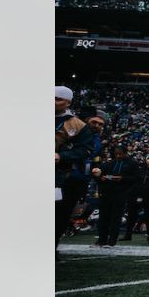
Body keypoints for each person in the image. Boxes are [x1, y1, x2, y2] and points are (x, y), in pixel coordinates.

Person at [55, 86, 98, 251]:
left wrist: (62, 156)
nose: (53, 101)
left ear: (68, 102)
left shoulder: (77, 125)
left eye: (58, 99)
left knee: (59, 214)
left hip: (60, 174)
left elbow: (85, 150)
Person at [92, 146, 141, 248]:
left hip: (121, 194)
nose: (118, 156)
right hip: (106, 193)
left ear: (125, 153)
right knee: (104, 218)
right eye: (116, 154)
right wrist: (101, 177)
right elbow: (99, 175)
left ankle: (112, 241)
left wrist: (123, 179)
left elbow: (137, 178)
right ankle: (102, 240)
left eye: (120, 154)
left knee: (116, 218)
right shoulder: (110, 163)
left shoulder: (132, 164)